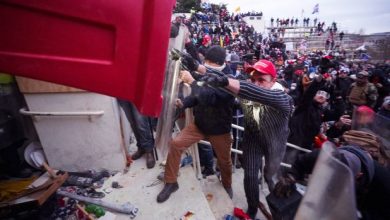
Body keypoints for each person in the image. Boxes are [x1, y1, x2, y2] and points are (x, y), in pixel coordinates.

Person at [200, 59, 293, 219]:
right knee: (249, 176)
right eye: (253, 79)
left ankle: (280, 211)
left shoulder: (282, 98)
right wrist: (197, 67)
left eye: (261, 80)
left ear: (273, 81)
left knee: (272, 178)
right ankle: (252, 208)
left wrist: (226, 82)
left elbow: (254, 92)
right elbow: (227, 81)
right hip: (253, 139)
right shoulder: (249, 90)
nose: (256, 83)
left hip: (275, 143)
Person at [156, 46, 235, 203]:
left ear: (221, 63)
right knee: (176, 144)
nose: (206, 65)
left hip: (219, 129)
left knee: (224, 161)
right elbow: (196, 96)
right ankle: (171, 182)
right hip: (200, 124)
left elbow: (208, 96)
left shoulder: (230, 81)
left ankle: (227, 184)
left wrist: (191, 81)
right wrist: (184, 103)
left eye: (210, 63)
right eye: (206, 61)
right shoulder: (206, 73)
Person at [275, 145, 390, 220]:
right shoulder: (328, 157)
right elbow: (301, 162)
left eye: (341, 180)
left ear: (358, 176)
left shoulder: (384, 184)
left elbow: (381, 215)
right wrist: (290, 177)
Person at [117, 100, 156, 168]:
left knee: (141, 121)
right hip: (121, 92)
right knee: (132, 122)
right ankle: (141, 147)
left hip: (136, 90)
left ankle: (148, 149)